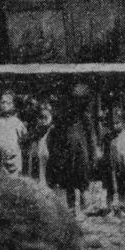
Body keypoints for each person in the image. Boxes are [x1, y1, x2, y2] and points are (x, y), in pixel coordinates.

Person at [48, 83, 100, 218]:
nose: (76, 105)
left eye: (80, 101)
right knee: (69, 184)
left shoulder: (85, 119)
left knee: (83, 184)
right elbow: (55, 138)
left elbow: (91, 139)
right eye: (74, 101)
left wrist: (93, 156)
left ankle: (84, 208)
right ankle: (71, 209)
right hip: (67, 156)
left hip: (82, 156)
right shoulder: (63, 120)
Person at [103, 107, 125, 215]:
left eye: (118, 123)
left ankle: (121, 208)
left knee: (122, 187)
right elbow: (105, 151)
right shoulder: (108, 136)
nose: (115, 126)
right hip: (111, 166)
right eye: (113, 123)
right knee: (110, 187)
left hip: (123, 165)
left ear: (123, 123)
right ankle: (109, 208)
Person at [0, 91, 27, 175]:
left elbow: (24, 140)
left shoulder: (18, 123)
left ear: (13, 105)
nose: (5, 105)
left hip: (14, 162)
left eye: (9, 102)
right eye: (3, 102)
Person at [24, 100, 54, 186]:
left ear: (51, 117)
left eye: (46, 117)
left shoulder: (53, 131)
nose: (43, 120)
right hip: (37, 173)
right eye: (41, 117)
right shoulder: (35, 132)